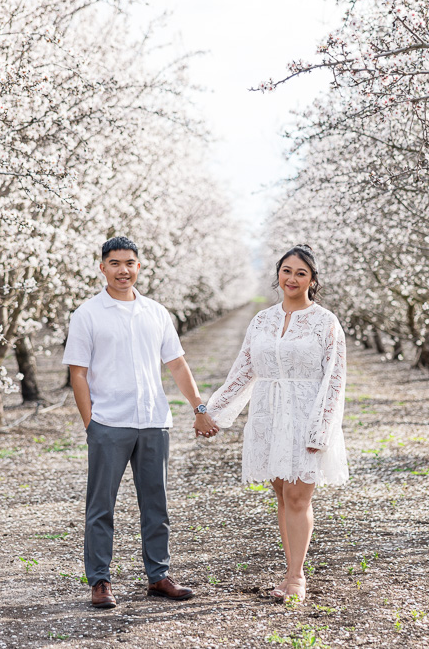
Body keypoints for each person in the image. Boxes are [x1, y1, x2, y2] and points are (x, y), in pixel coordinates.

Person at [63, 236, 219, 609]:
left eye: (130, 263)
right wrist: (92, 424)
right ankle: (100, 581)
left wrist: (199, 408)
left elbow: (177, 364)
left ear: (139, 267)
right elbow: (78, 374)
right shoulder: (87, 314)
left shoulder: (156, 312)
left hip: (152, 420)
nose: (123, 270)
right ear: (102, 267)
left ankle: (159, 576)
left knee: (156, 504)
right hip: (108, 423)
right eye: (115, 263)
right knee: (101, 506)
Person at [205, 244, 348, 604]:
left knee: (300, 497)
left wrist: (322, 429)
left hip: (305, 415)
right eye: (287, 271)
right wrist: (212, 411)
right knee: (282, 494)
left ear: (312, 280)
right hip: (268, 416)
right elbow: (243, 371)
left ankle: (296, 577)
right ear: (278, 275)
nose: (293, 278)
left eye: (301, 273)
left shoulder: (325, 322)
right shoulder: (262, 321)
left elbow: (335, 379)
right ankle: (289, 570)